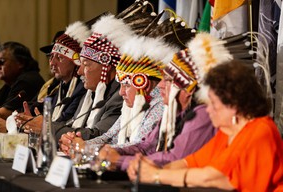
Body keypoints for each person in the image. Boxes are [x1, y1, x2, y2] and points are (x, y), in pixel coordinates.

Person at [128, 60, 283, 191]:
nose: (208, 109)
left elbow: (216, 178)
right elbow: (188, 163)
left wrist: (156, 175)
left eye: (213, 104)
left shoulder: (261, 131)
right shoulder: (227, 132)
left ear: (234, 104)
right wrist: (154, 169)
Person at [97, 33, 233, 171]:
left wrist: (120, 161)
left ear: (187, 89)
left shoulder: (202, 115)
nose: (161, 85)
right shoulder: (176, 113)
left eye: (168, 80)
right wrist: (108, 152)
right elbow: (144, 147)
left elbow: (174, 159)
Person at [55, 2, 160, 143]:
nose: (79, 71)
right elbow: (108, 138)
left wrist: (51, 129)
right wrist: (77, 144)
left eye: (86, 64)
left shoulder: (149, 105)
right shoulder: (94, 94)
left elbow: (138, 148)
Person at [15, 21, 91, 133]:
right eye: (51, 58)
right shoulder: (60, 87)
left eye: (59, 58)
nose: (52, 64)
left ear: (76, 62)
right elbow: (41, 111)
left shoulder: (82, 87)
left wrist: (39, 124)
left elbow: (65, 120)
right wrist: (24, 119)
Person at [0, 42, 45, 121]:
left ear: (20, 63)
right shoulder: (10, 83)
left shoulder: (27, 81)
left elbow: (3, 114)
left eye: (1, 62)